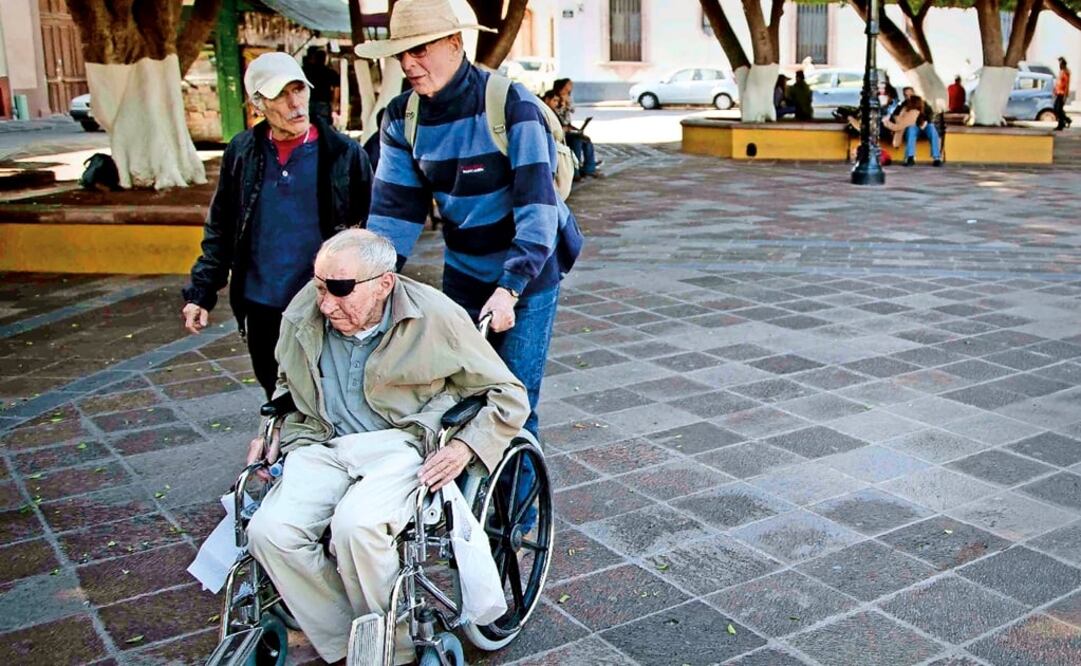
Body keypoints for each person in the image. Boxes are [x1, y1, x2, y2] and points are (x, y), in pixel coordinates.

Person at [246, 229, 529, 665]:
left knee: (357, 526)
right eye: (320, 286)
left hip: (402, 442)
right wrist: (273, 431)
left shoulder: (435, 317)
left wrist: (466, 449)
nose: (325, 303)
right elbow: (287, 380)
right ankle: (347, 641)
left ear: (384, 283)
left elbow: (507, 393)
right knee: (269, 532)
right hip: (324, 439)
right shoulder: (304, 311)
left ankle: (392, 651)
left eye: (340, 290)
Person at [356, 0, 584, 436]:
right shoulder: (402, 119)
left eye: (420, 49)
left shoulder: (510, 103)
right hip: (463, 273)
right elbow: (393, 215)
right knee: (460, 399)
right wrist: (370, 283)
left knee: (512, 404)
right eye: (402, 53)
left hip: (527, 275)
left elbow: (538, 209)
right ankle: (470, 503)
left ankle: (521, 504)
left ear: (455, 44)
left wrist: (510, 288)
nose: (409, 63)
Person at [181, 52, 373, 400]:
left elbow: (371, 231)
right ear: (258, 103)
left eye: (299, 90)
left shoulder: (343, 154)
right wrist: (200, 293)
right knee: (276, 389)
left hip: (323, 301)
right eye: (281, 94)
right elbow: (221, 227)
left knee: (330, 392)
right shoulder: (242, 152)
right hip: (263, 302)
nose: (295, 103)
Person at [552, 77, 602, 178]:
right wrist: (562, 104)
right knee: (577, 142)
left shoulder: (567, 97)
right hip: (560, 130)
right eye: (569, 85)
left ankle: (589, 167)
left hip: (568, 127)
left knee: (586, 140)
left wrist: (567, 102)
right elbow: (557, 116)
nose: (571, 87)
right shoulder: (555, 98)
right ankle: (575, 171)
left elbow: (572, 111)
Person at [883, 94, 942, 167]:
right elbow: (899, 119)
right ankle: (910, 157)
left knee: (932, 128)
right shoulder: (907, 109)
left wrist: (926, 122)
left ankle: (937, 158)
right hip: (913, 128)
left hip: (925, 126)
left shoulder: (923, 108)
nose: (908, 100)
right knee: (911, 129)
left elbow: (931, 116)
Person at [303, 47, 340, 126]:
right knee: (323, 127)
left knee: (308, 126)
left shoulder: (306, 71)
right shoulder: (330, 72)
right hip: (323, 103)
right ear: (325, 59)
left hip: (309, 102)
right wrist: (334, 104)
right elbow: (336, 89)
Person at [1054, 57, 1072, 131]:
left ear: (1063, 64)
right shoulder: (1061, 71)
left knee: (1058, 109)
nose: (1059, 65)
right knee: (1057, 109)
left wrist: (1066, 95)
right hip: (1058, 92)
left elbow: (1067, 84)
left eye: (1060, 63)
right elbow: (1059, 82)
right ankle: (1066, 120)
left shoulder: (1066, 72)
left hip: (1062, 93)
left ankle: (1061, 124)